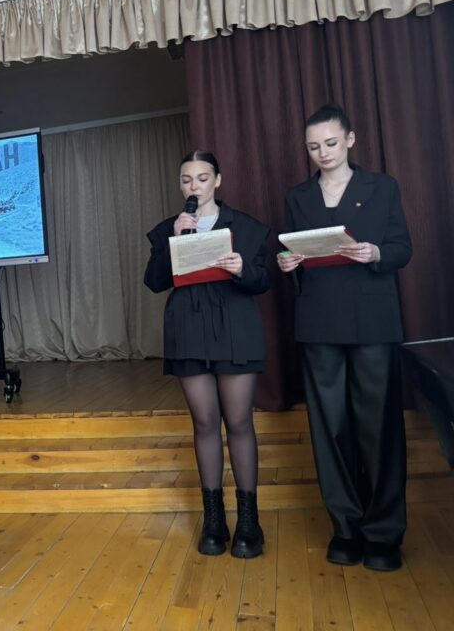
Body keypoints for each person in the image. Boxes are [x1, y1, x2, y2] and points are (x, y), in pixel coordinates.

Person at [278, 103, 412, 572]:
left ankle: (384, 533)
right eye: (314, 146)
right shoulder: (297, 197)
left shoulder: (383, 187)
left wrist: (376, 252)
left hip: (373, 320)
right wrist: (287, 263)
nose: (323, 152)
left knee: (378, 427)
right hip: (319, 322)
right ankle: (346, 528)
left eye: (331, 143)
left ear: (350, 140)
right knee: (330, 427)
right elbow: (295, 252)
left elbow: (403, 248)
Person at [144, 152, 270, 558]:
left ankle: (249, 521)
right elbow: (154, 282)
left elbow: (263, 280)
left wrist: (241, 268)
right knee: (204, 422)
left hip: (235, 326)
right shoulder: (171, 227)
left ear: (218, 180)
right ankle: (214, 520)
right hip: (189, 327)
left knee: (239, 421)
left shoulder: (247, 227)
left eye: (202, 178)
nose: (194, 186)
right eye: (186, 180)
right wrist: (173, 242)